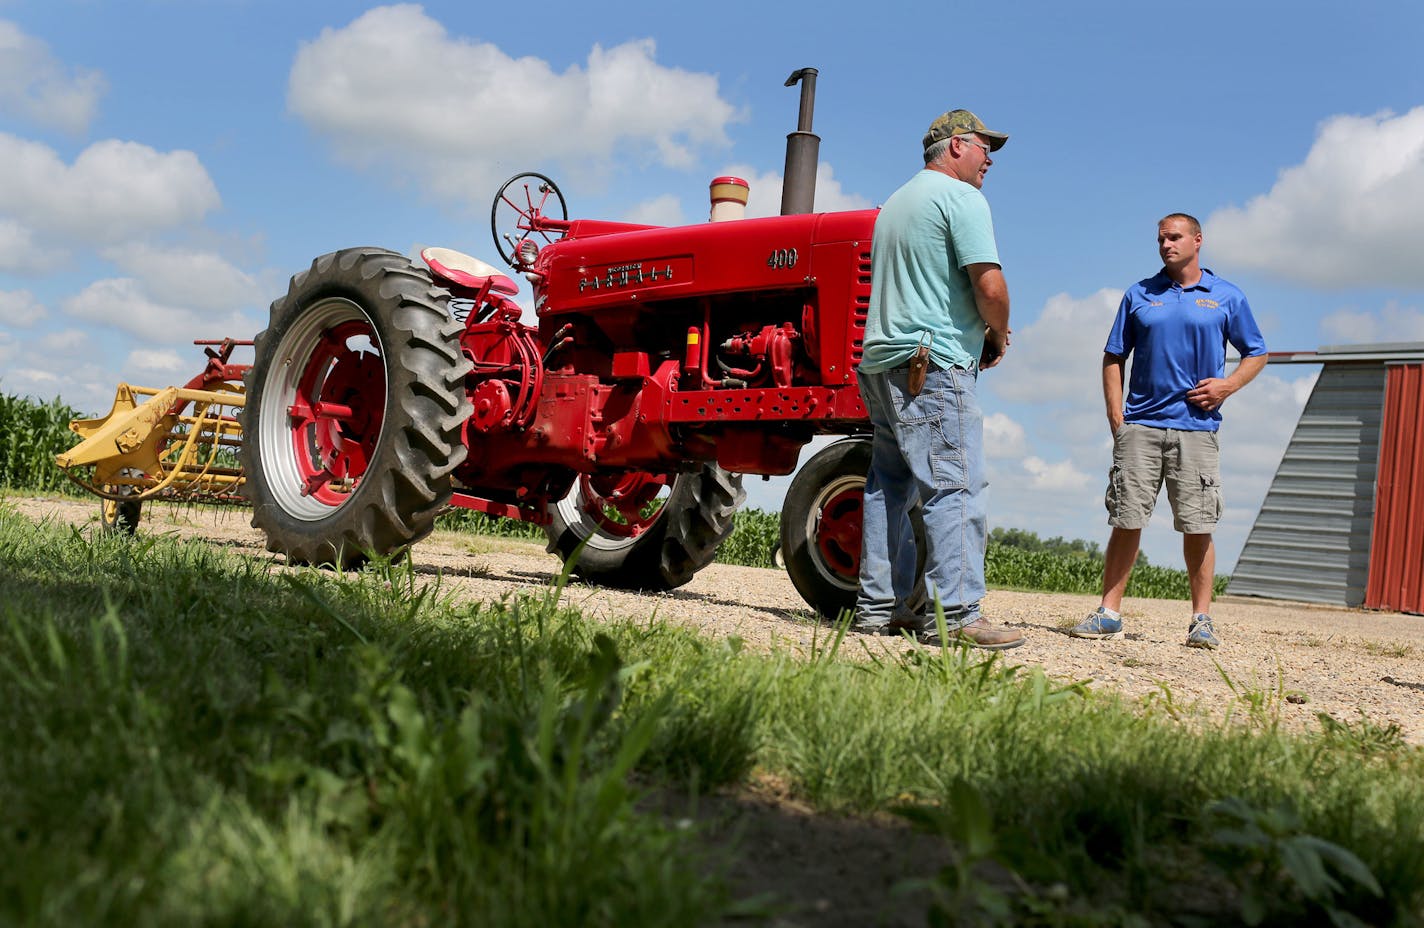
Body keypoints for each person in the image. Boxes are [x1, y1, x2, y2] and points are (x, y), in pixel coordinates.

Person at [853, 109, 1023, 650]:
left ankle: (878, 609)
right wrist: (997, 333)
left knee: (888, 489)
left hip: (881, 361)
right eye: (982, 147)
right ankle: (956, 616)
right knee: (956, 486)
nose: (989, 159)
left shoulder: (895, 204)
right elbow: (989, 286)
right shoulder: (962, 199)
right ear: (954, 147)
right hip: (934, 364)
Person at [1070, 213, 1267, 649]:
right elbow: (1112, 357)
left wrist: (1229, 385)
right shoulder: (1139, 294)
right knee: (1126, 519)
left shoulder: (1226, 297)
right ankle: (1109, 613)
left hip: (1197, 430)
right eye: (1160, 238)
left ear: (1198, 240)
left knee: (1198, 525)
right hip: (1140, 426)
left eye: (1174, 237)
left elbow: (1256, 352)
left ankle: (1201, 621)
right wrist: (1116, 417)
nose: (1166, 245)